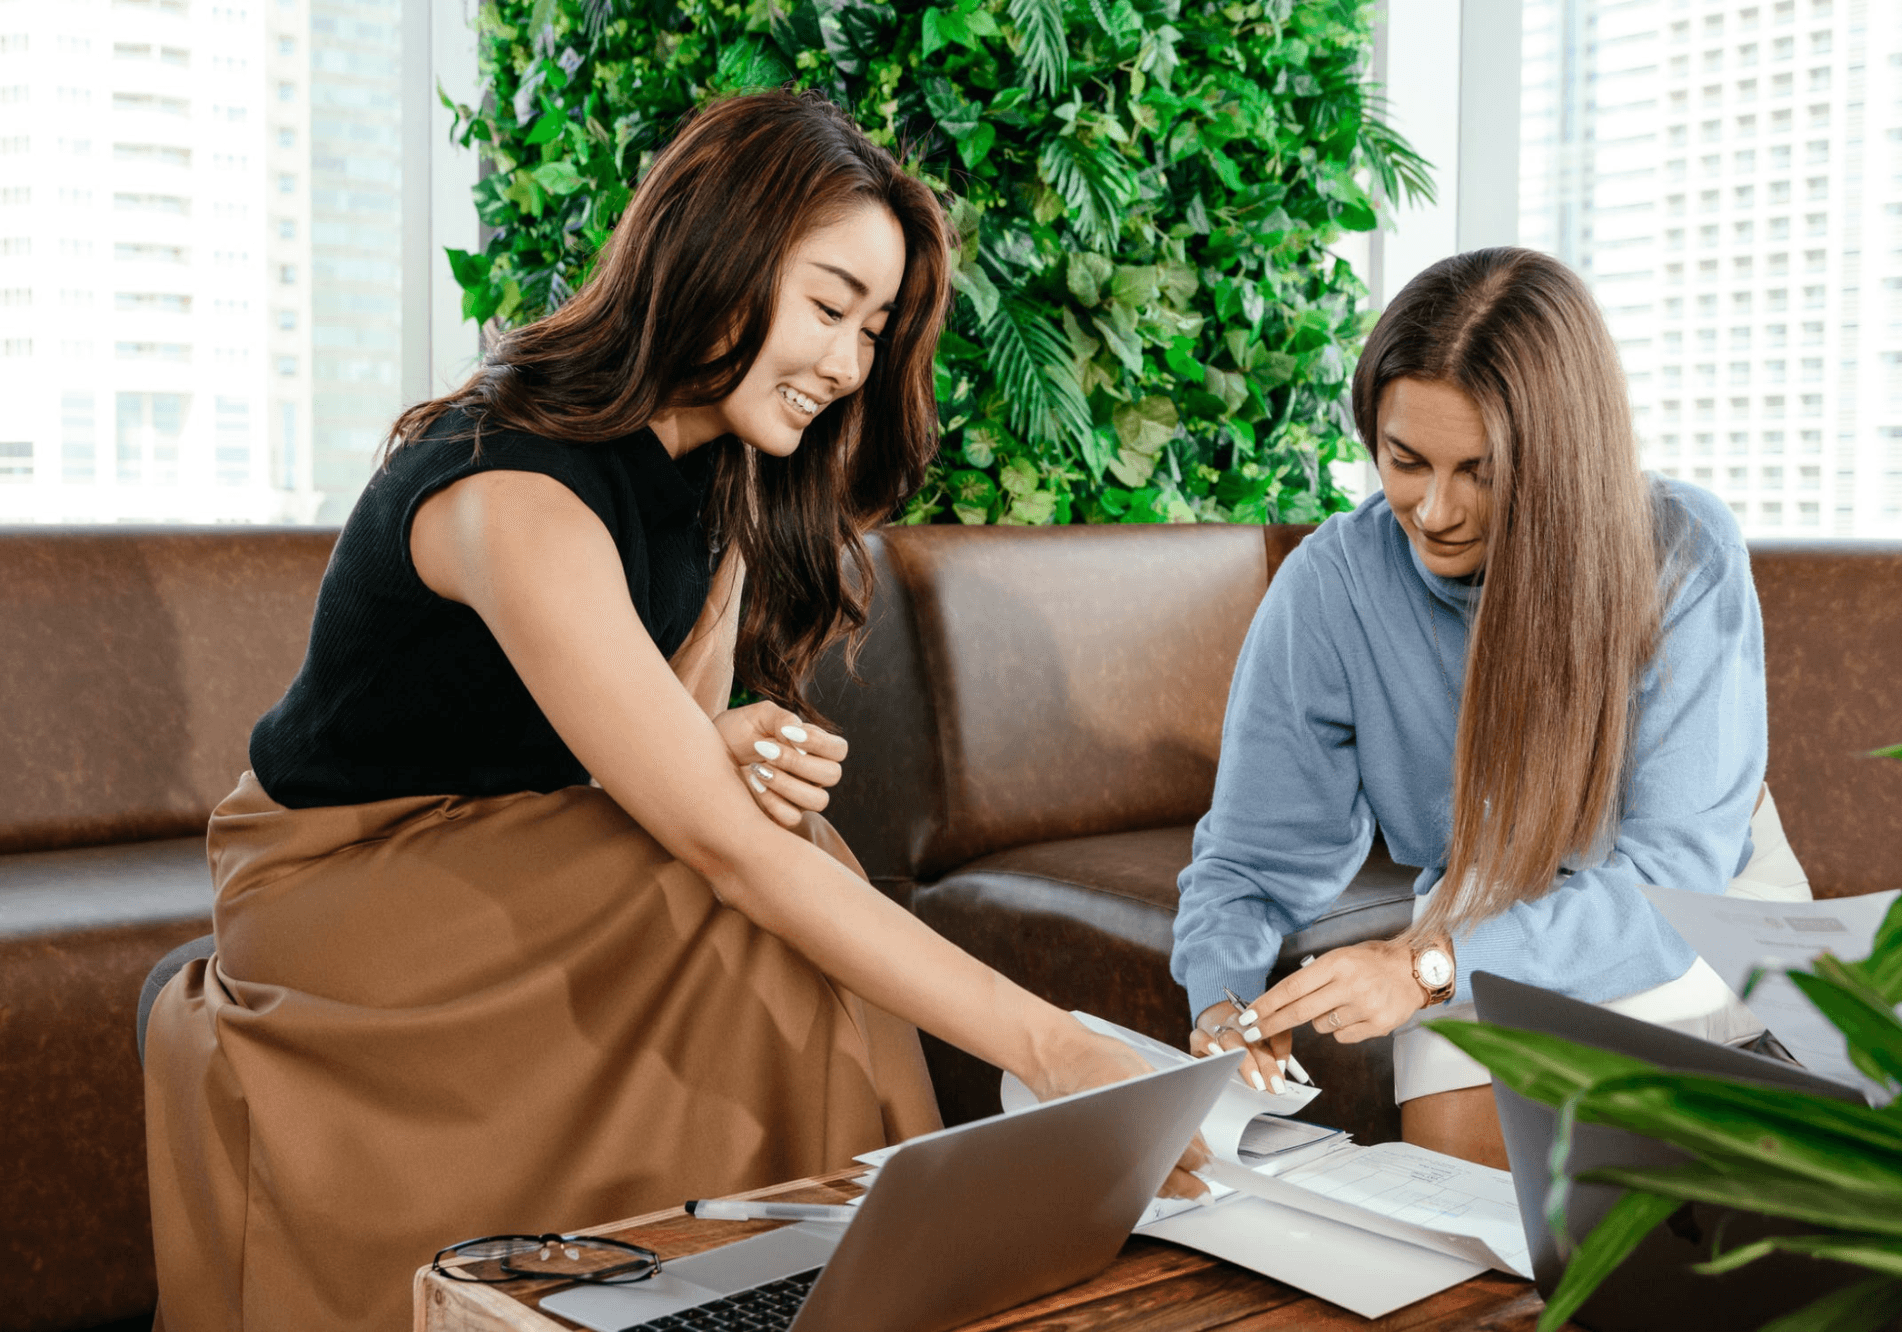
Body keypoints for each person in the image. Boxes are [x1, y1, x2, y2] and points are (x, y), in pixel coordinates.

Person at [143, 89, 1199, 1332]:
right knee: (764, 870)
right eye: (828, 306)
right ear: (717, 256)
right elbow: (716, 846)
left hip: (512, 845)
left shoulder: (722, 466)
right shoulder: (512, 490)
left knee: (768, 853)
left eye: (873, 327)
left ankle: (790, 1278)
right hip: (346, 889)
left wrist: (712, 742)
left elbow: (655, 752)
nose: (852, 363)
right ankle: (840, 1281)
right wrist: (1053, 1048)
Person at [1171, 247, 1812, 1169]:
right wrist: (1224, 1003)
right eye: (1404, 460)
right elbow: (1250, 857)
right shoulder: (1332, 586)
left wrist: (1427, 966)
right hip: (1487, 899)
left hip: (1701, 904)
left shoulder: (1681, 549)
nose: (1434, 510)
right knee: (1455, 1154)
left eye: (1479, 470)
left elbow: (1673, 876)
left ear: (1559, 456)